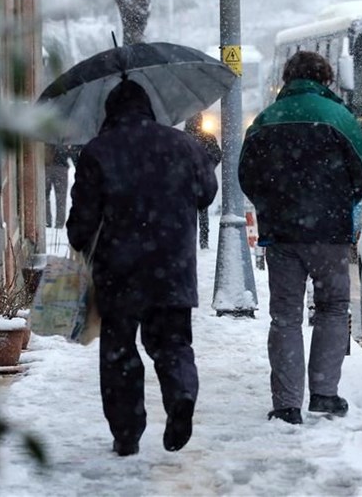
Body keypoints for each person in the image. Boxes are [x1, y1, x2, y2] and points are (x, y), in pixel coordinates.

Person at [66, 78, 218, 456]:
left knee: (119, 352)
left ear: (109, 112)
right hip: (173, 268)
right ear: (151, 107)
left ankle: (127, 433)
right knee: (173, 342)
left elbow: (82, 223)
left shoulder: (98, 151)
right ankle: (181, 392)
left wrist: (81, 237)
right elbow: (207, 194)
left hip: (118, 272)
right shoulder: (182, 144)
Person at [237, 51, 362, 425]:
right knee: (331, 308)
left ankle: (287, 405)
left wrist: (270, 205)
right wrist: (339, 203)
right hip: (328, 232)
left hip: (281, 234)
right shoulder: (340, 118)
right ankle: (325, 394)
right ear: (326, 79)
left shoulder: (266, 120)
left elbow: (246, 174)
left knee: (285, 317)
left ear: (288, 79)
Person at [184, 112, 223, 249]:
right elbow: (218, 155)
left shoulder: (182, 138)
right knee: (203, 211)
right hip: (202, 180)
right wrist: (208, 167)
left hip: (186, 181)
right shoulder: (207, 138)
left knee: (187, 212)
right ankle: (203, 240)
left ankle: (190, 240)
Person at [44, 143, 80, 228]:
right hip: (59, 166)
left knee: (46, 196)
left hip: (49, 166)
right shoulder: (64, 136)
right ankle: (57, 223)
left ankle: (49, 221)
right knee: (59, 198)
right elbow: (72, 151)